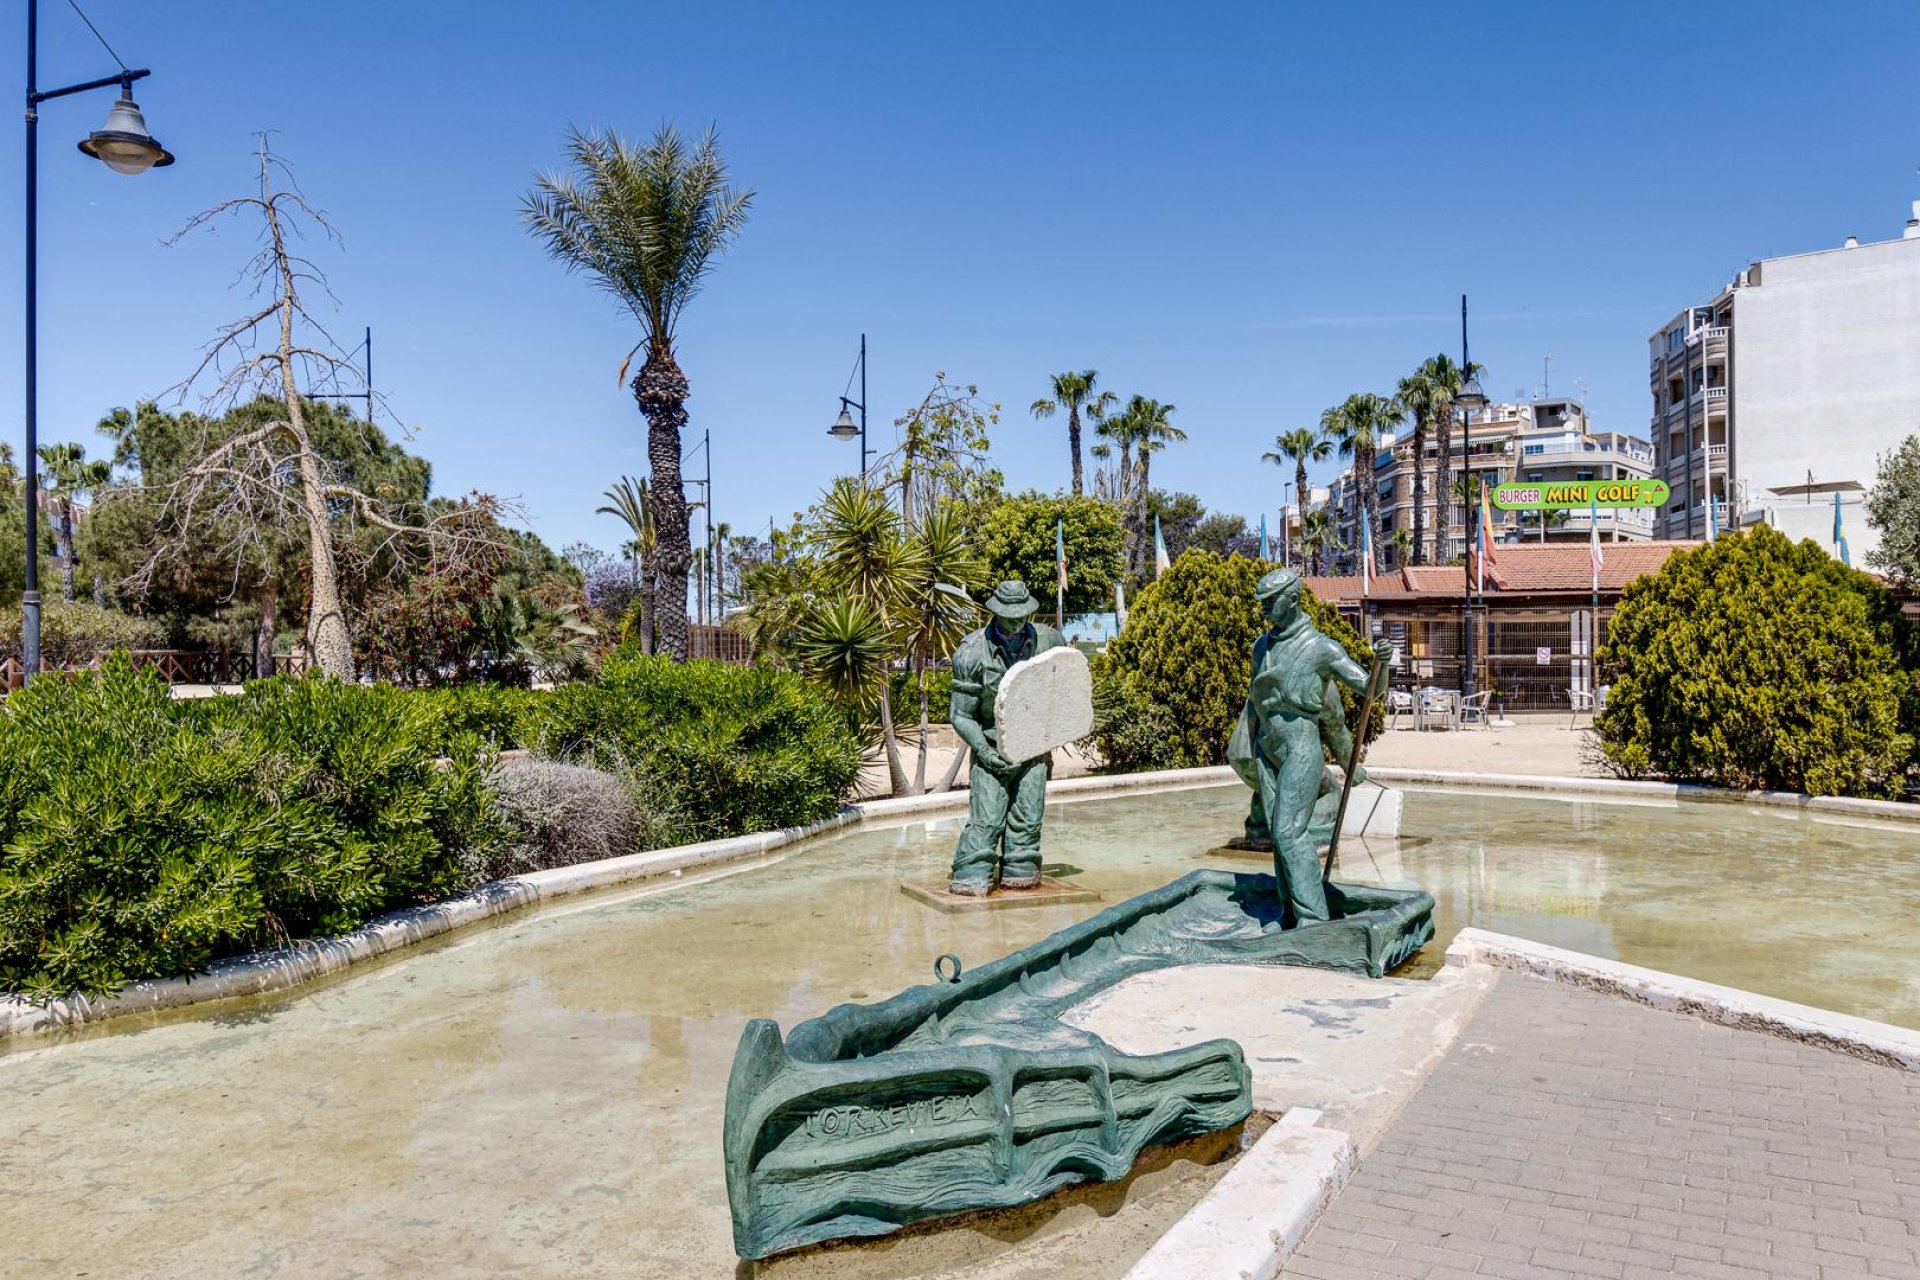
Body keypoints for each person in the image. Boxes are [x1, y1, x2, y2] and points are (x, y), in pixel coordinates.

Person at [1227, 568, 1391, 925]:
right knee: (1276, 832)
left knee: (1289, 832)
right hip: (1266, 749)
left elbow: (1371, 690)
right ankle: (1289, 913)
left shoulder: (1322, 648)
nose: (1265, 609)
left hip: (1301, 747)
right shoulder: (1261, 646)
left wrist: (1383, 662)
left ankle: (1313, 918)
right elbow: (1256, 702)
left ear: (1294, 599)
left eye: (1271, 602)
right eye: (1263, 603)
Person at [947, 581, 1067, 895]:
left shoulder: (1050, 641)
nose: (1015, 620)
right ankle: (970, 876)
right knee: (985, 823)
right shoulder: (971, 651)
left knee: (1027, 827)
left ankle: (1021, 876)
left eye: (1021, 614)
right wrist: (985, 753)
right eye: (1007, 614)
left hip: (1033, 749)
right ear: (994, 610)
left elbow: (1066, 691)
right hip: (989, 747)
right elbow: (961, 714)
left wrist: (1048, 735)